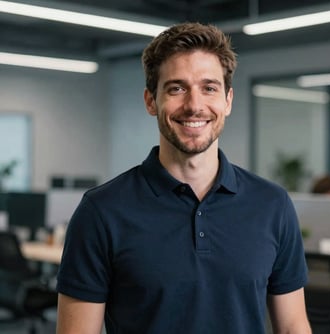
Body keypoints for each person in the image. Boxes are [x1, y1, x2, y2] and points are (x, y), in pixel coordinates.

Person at [56, 22, 311, 334]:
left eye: (209, 88)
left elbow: (292, 327)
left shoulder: (272, 205)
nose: (194, 105)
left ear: (228, 100)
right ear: (151, 101)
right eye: (176, 88)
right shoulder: (101, 211)